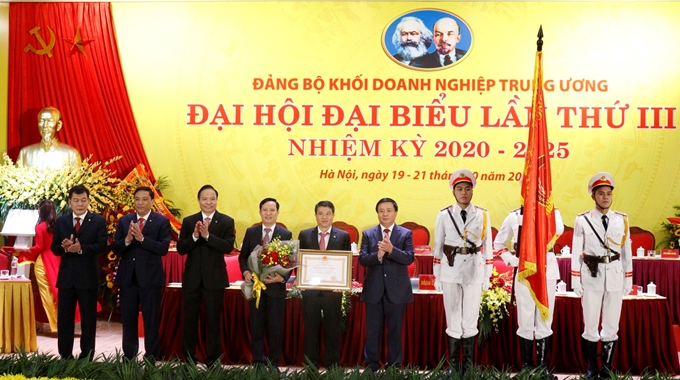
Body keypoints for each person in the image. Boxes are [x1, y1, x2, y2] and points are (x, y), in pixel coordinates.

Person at [571, 172, 632, 379]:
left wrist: (628, 278)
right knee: (590, 324)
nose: (605, 197)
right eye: (601, 193)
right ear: (593, 196)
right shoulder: (582, 220)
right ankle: (592, 369)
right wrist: (575, 278)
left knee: (611, 325)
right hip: (591, 276)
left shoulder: (622, 220)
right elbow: (576, 251)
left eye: (608, 194)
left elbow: (626, 252)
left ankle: (606, 370)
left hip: (614, 276)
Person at [494, 205, 564, 377]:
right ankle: (526, 367)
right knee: (525, 319)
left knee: (545, 318)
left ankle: (542, 368)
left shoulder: (552, 213)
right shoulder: (514, 216)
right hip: (524, 269)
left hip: (546, 269)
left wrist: (543, 210)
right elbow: (498, 242)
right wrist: (511, 260)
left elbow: (558, 229)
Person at [433, 170, 492, 372]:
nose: (464, 193)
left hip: (474, 270)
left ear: (472, 191)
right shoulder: (444, 215)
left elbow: (488, 246)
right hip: (451, 269)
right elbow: (438, 245)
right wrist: (437, 275)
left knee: (470, 318)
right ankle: (453, 367)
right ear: (454, 192)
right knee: (453, 317)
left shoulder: (483, 214)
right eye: (459, 189)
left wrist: (487, 275)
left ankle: (467, 366)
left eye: (467, 189)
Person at [177, 184, 235, 367]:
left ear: (217, 200)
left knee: (213, 322)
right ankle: (189, 360)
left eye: (212, 199)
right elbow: (180, 249)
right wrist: (194, 236)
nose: (208, 202)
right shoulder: (189, 221)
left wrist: (208, 236)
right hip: (192, 280)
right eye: (205, 199)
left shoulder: (226, 221)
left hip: (215, 280)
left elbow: (227, 247)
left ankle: (213, 360)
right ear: (199, 201)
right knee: (189, 321)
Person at [112, 186, 172, 363]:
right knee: (128, 321)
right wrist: (127, 241)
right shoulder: (125, 221)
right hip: (128, 280)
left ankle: (151, 358)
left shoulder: (161, 221)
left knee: (151, 321)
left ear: (152, 201)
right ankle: (129, 358)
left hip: (151, 280)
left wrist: (142, 239)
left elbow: (162, 249)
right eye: (137, 199)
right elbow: (115, 248)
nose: (140, 202)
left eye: (145, 199)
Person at [50, 185, 107, 360]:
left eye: (83, 200)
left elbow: (102, 246)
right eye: (76, 200)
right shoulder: (61, 221)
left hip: (88, 278)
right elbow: (54, 247)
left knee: (88, 320)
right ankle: (65, 356)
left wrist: (81, 249)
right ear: (70, 202)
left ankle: (86, 356)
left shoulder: (97, 221)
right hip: (67, 279)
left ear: (89, 201)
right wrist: (65, 248)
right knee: (65, 320)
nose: (80, 204)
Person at [358, 197, 414, 372]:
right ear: (377, 213)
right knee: (372, 332)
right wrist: (378, 255)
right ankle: (371, 366)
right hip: (374, 291)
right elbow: (362, 260)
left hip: (397, 291)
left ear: (395, 212)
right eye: (381, 210)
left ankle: (394, 366)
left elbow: (409, 257)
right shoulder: (368, 234)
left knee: (395, 332)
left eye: (389, 210)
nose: (385, 214)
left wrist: (391, 250)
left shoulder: (405, 234)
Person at [239, 198, 293, 372]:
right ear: (260, 211)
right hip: (256, 289)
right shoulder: (251, 232)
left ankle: (274, 363)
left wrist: (282, 278)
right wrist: (246, 272)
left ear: (277, 212)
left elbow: (290, 264)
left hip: (276, 290)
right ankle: (257, 363)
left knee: (275, 328)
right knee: (256, 326)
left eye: (272, 210)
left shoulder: (285, 234)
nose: (268, 213)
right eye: (265, 210)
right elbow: (242, 257)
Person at [297, 200, 351, 369]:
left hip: (333, 291)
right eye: (321, 213)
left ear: (333, 215)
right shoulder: (304, 235)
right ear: (315, 216)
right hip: (310, 291)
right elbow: (299, 261)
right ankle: (311, 367)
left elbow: (347, 263)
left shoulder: (343, 236)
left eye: (328, 214)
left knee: (332, 331)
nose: (324, 217)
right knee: (311, 331)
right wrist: (301, 280)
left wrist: (342, 284)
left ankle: (332, 366)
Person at [17, 200, 62, 332]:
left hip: (43, 263)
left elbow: (39, 247)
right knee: (58, 291)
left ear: (41, 211)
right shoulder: (57, 224)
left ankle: (55, 325)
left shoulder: (40, 227)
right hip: (57, 260)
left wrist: (24, 250)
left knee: (46, 294)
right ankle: (58, 322)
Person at [19, 106, 82, 171]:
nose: (45, 126)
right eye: (41, 121)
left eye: (50, 121)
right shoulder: (25, 153)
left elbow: (78, 179)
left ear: (59, 125)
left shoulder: (71, 154)